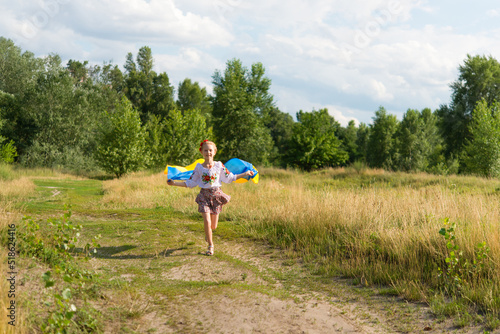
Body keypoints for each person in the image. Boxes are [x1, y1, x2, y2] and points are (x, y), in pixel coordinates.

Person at [167, 140, 254, 256]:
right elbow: (191, 183)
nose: (208, 152)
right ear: (202, 152)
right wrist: (174, 183)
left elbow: (230, 177)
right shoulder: (198, 168)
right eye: (205, 150)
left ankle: (208, 233)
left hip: (216, 195)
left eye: (210, 150)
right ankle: (210, 245)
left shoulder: (219, 165)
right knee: (207, 221)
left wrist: (245, 173)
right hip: (204, 196)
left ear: (214, 152)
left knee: (213, 226)